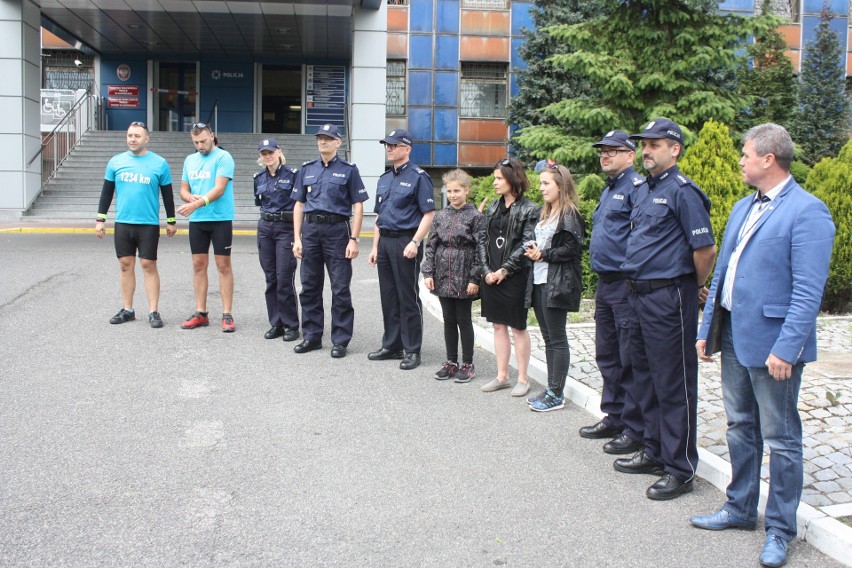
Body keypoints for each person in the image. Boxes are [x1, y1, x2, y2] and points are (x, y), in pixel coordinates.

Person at [689, 123, 835, 568]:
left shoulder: (808, 211)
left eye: (746, 154)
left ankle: (779, 529)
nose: (740, 160)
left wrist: (787, 349)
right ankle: (739, 508)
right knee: (738, 426)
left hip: (775, 346)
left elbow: (809, 292)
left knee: (782, 438)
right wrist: (706, 327)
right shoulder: (741, 207)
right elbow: (724, 273)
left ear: (769, 159)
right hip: (733, 334)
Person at [613, 118, 716, 501]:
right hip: (637, 295)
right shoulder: (643, 191)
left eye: (655, 144)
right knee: (645, 377)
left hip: (669, 297)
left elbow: (705, 249)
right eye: (644, 144)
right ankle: (654, 450)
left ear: (674, 149)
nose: (646, 151)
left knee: (673, 383)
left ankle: (680, 468)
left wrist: (697, 285)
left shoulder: (683, 192)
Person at [579, 130, 646, 456]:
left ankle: (634, 428)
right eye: (602, 151)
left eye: (613, 151)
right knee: (607, 354)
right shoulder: (610, 190)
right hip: (606, 284)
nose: (605, 156)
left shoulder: (636, 189)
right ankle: (614, 415)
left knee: (627, 356)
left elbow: (641, 237)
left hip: (624, 284)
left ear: (630, 155)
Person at [292, 124, 367, 358]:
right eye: (320, 138)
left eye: (328, 138)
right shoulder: (307, 169)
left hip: (337, 231)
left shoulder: (349, 170)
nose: (323, 142)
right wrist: (297, 237)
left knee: (340, 287)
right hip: (311, 231)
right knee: (309, 286)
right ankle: (312, 336)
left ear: (338, 142)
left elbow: (358, 205)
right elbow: (299, 204)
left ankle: (340, 340)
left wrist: (354, 238)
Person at [95, 121, 176, 328]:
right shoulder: (116, 162)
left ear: (146, 139)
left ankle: (153, 311)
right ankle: (128, 309)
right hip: (123, 223)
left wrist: (171, 220)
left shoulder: (159, 163)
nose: (133, 139)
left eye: (137, 136)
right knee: (125, 266)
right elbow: (107, 192)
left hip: (147, 224)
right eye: (130, 135)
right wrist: (100, 219)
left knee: (148, 265)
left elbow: (167, 194)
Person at [368, 129, 435, 371]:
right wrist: (375, 246)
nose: (389, 148)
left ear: (407, 149)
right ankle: (392, 345)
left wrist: (416, 242)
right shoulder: (384, 178)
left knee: (408, 297)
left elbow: (429, 214)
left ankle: (412, 349)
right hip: (385, 241)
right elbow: (379, 215)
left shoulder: (419, 177)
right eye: (387, 144)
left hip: (406, 241)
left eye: (394, 145)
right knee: (389, 296)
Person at [523, 164, 585, 411]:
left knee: (557, 339)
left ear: (561, 185)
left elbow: (572, 250)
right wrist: (532, 247)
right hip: (539, 280)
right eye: (540, 183)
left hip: (556, 282)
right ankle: (551, 388)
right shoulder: (546, 212)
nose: (541, 188)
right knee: (548, 338)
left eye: (546, 183)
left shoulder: (569, 213)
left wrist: (543, 254)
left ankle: (556, 394)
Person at [476, 158, 539, 397]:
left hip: (514, 277)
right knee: (498, 325)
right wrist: (486, 270)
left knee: (518, 327)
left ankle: (523, 379)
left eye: (499, 178)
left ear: (513, 179)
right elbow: (482, 240)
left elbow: (527, 243)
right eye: (494, 178)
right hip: (491, 276)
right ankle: (502, 376)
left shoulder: (529, 209)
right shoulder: (492, 207)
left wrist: (504, 270)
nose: (495, 183)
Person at [421, 169, 483, 383]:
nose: (453, 194)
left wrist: (475, 278)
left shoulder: (475, 216)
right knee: (448, 320)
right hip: (443, 274)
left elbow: (480, 250)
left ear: (467, 190)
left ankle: (467, 363)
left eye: (457, 190)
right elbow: (431, 244)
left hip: (464, 274)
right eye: (449, 191)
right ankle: (450, 362)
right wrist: (428, 272)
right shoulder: (441, 215)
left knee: (464, 320)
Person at [177, 122, 237, 332]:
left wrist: (194, 204)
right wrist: (188, 197)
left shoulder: (223, 157)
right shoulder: (190, 160)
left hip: (220, 219)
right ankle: (201, 313)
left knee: (223, 266)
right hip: (198, 221)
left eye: (203, 140)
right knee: (198, 266)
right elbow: (184, 189)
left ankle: (227, 314)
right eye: (196, 142)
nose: (200, 145)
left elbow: (219, 189)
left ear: (212, 136)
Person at [253, 138, 300, 342]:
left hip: (285, 228)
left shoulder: (293, 175)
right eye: (264, 153)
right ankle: (276, 323)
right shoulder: (259, 177)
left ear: (279, 152)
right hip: (265, 228)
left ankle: (291, 325)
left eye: (270, 152)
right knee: (270, 278)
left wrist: (299, 235)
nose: (267, 156)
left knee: (284, 278)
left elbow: (300, 205)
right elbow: (259, 203)